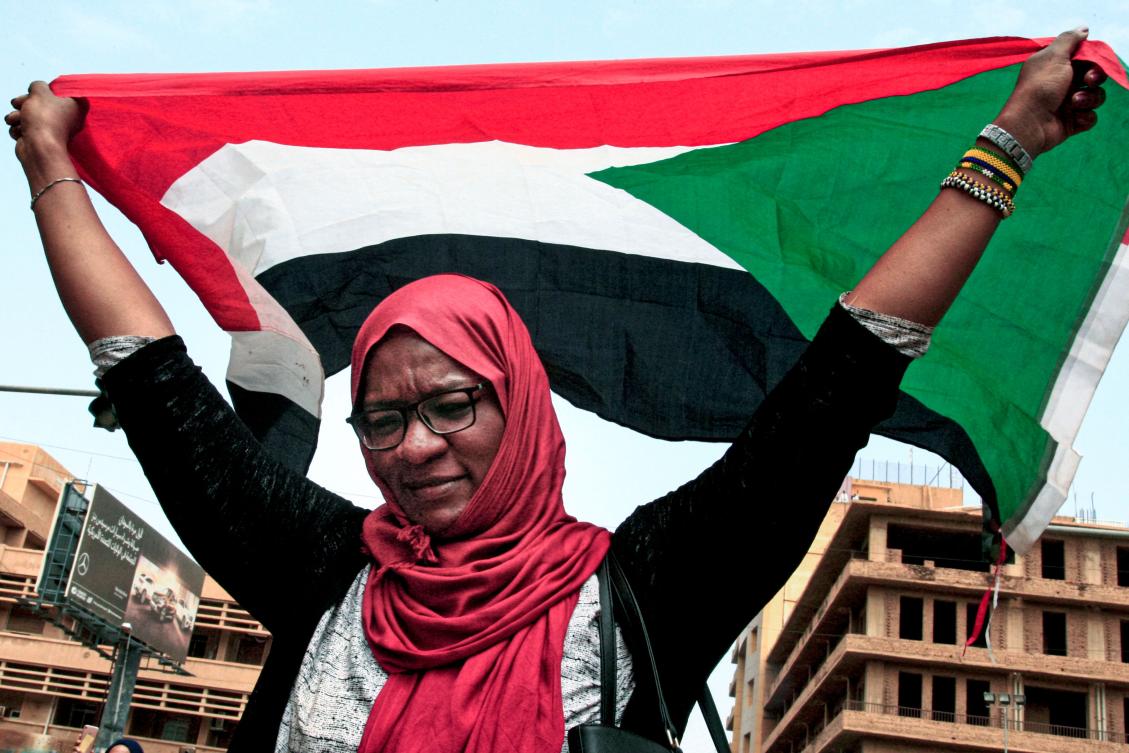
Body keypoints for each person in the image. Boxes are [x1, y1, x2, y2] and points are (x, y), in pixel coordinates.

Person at [8, 29, 1107, 753]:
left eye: (453, 404)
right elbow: (154, 384)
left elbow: (843, 378)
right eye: (381, 419)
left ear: (521, 408)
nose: (416, 447)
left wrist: (1007, 146)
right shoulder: (324, 577)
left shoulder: (647, 591)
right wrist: (51, 166)